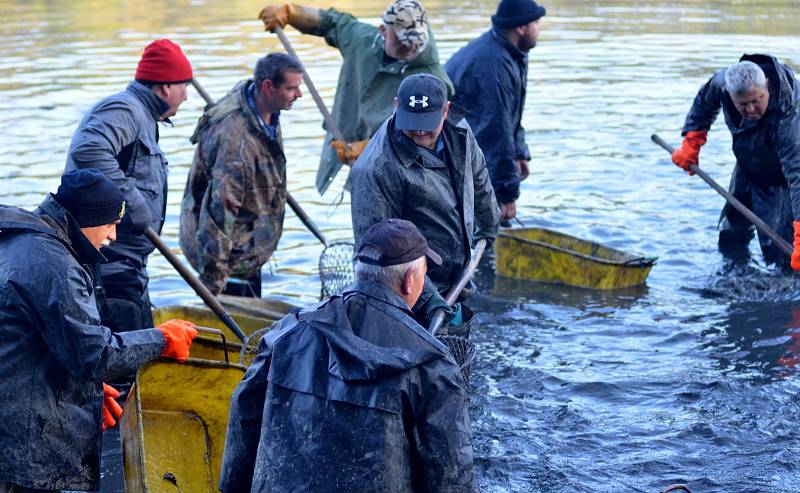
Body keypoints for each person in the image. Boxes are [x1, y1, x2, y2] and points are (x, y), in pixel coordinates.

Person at [219, 218, 475, 492]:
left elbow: (244, 410)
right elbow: (451, 477)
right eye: (424, 275)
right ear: (410, 282)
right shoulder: (432, 361)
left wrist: (231, 487)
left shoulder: (287, 331)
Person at [0, 169, 199, 493]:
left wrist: (81, 391)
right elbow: (94, 354)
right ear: (88, 220)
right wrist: (162, 339)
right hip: (16, 438)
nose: (113, 236)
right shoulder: (54, 264)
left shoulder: (29, 238)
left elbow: (43, 339)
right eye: (111, 224)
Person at [258, 0, 454, 196]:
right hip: (349, 143)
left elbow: (424, 136)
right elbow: (333, 23)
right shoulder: (363, 41)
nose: (410, 47)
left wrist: (372, 147)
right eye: (402, 40)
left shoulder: (431, 80)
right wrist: (292, 13)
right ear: (383, 31)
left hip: (402, 175)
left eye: (416, 40)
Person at [349, 73, 499, 324]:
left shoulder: (460, 131)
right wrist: (427, 298)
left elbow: (479, 178)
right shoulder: (375, 168)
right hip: (405, 291)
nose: (419, 130)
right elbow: (374, 247)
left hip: (455, 275)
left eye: (427, 122)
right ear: (397, 105)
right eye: (411, 122)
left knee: (454, 352)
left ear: (445, 111)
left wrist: (489, 223)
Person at [65, 39, 193, 331]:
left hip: (129, 265)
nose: (186, 95)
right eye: (184, 86)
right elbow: (89, 150)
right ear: (165, 88)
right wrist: (132, 203)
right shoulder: (125, 109)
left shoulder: (145, 116)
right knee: (122, 359)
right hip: (109, 266)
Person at [180, 53, 304, 297]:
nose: (299, 94)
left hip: (249, 244)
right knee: (236, 326)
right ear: (268, 87)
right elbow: (219, 214)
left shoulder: (262, 105)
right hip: (227, 257)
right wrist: (214, 281)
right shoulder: (236, 143)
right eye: (292, 88)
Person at [672, 54, 800, 270]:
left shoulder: (790, 118)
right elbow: (704, 102)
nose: (750, 109)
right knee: (731, 233)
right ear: (730, 94)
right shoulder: (723, 83)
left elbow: (797, 175)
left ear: (767, 86)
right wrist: (692, 141)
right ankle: (734, 273)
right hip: (748, 161)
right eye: (742, 104)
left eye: (756, 101)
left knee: (781, 251)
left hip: (783, 175)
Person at [446, 0, 545, 225]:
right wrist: (506, 194)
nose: (539, 28)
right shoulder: (492, 64)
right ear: (521, 27)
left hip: (477, 149)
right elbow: (494, 132)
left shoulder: (513, 51)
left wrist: (519, 152)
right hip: (455, 155)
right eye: (536, 23)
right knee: (489, 223)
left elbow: (512, 112)